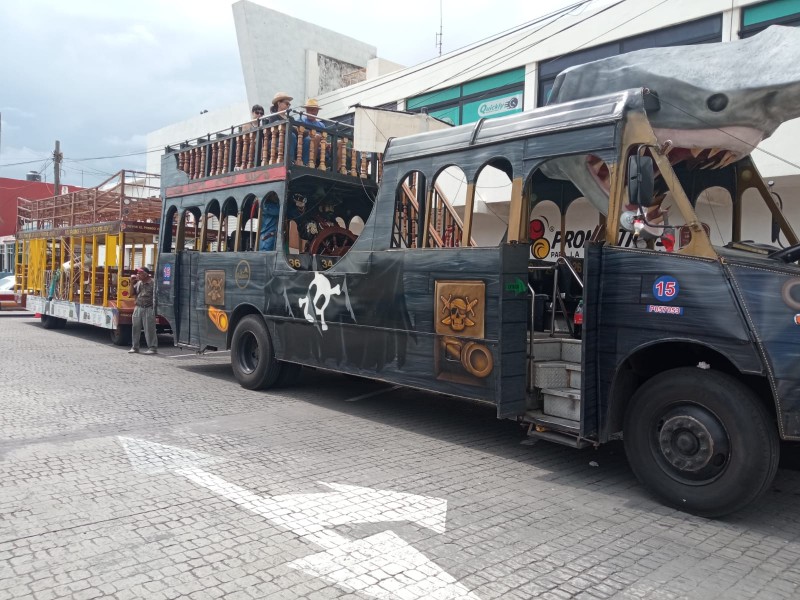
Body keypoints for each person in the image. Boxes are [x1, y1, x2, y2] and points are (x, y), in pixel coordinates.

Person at [129, 267, 157, 354]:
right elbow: (131, 294)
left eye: (140, 273)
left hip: (148, 308)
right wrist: (131, 283)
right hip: (138, 307)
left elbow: (157, 296)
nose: (138, 274)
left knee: (149, 329)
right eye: (137, 273)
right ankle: (135, 347)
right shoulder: (139, 283)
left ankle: (152, 348)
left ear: (146, 274)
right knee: (135, 328)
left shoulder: (153, 283)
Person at [268, 92, 297, 161]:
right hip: (277, 140)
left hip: (289, 138)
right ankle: (290, 160)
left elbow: (295, 130)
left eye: (289, 104)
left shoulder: (291, 118)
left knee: (306, 140)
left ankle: (304, 163)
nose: (288, 106)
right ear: (278, 103)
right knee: (292, 136)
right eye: (287, 103)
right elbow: (276, 130)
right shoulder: (273, 116)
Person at [298, 98, 328, 166]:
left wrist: (326, 143)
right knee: (314, 138)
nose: (310, 112)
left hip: (319, 146)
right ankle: (310, 164)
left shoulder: (321, 125)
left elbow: (324, 139)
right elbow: (298, 133)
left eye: (313, 110)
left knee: (336, 144)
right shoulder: (301, 120)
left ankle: (337, 168)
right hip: (303, 143)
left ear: (317, 111)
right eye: (308, 110)